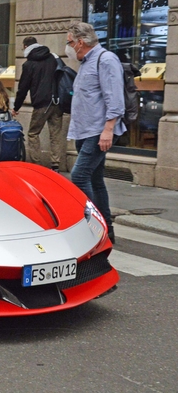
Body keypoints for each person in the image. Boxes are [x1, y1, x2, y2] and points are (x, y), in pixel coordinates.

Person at [66, 21, 126, 244]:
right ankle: (106, 230)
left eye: (70, 42)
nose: (69, 47)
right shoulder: (86, 63)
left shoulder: (106, 59)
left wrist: (108, 129)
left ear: (80, 42)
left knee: (79, 176)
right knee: (95, 179)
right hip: (85, 130)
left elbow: (115, 98)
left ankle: (91, 229)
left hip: (98, 130)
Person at [12, 36, 61, 171]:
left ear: (26, 47)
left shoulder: (29, 64)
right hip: (56, 102)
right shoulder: (52, 58)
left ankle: (36, 165)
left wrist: (16, 107)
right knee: (55, 134)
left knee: (33, 133)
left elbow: (23, 88)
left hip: (41, 104)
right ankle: (55, 164)